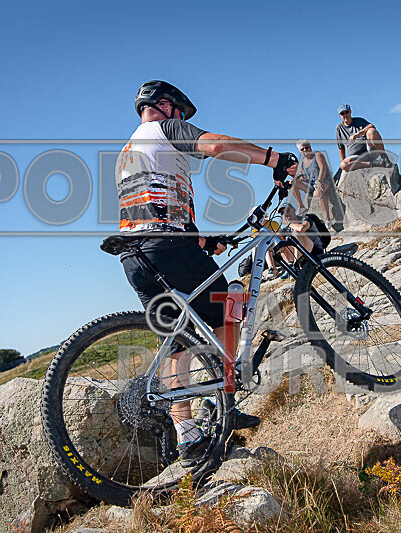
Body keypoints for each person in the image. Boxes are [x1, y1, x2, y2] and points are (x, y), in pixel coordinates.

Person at [114, 80, 297, 463]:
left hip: (136, 257)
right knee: (231, 303)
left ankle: (188, 436)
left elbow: (153, 208)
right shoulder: (164, 128)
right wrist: (273, 159)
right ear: (165, 106)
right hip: (166, 247)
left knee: (176, 342)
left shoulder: (128, 151)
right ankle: (223, 400)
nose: (183, 119)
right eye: (180, 111)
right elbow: (214, 146)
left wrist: (202, 239)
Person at [335, 104, 392, 171]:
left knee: (371, 131)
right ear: (340, 115)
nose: (345, 115)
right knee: (344, 165)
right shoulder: (339, 128)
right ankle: (376, 164)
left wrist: (357, 134)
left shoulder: (360, 121)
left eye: (346, 112)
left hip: (370, 151)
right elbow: (341, 148)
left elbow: (372, 126)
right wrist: (343, 163)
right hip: (357, 158)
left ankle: (384, 158)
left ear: (350, 111)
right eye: (342, 113)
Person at [292, 139, 334, 227]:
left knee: (319, 192)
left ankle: (327, 219)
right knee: (292, 183)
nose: (305, 150)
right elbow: (301, 176)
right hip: (310, 184)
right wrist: (297, 179)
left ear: (310, 147)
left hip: (324, 180)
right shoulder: (302, 163)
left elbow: (323, 168)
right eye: (302, 149)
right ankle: (301, 207)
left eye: (306, 148)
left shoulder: (317, 155)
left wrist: (319, 181)